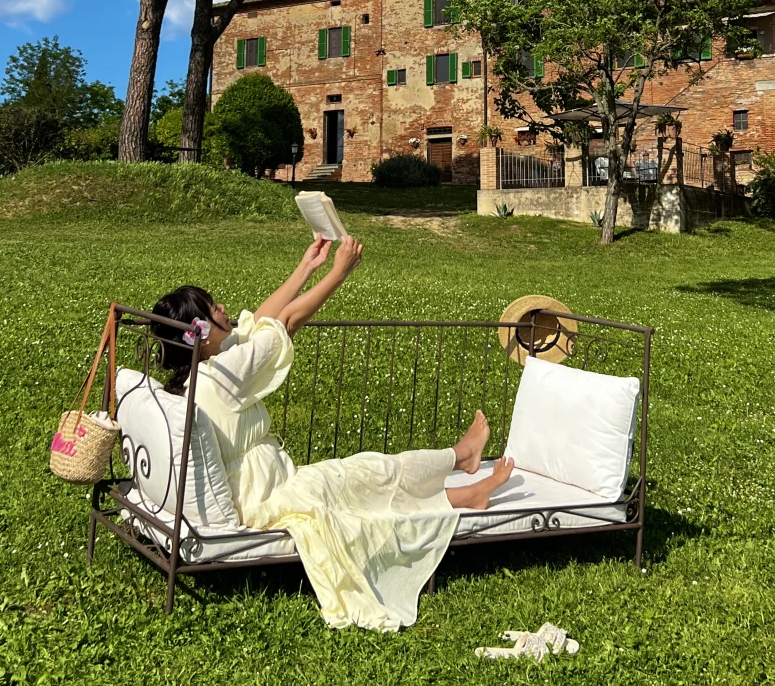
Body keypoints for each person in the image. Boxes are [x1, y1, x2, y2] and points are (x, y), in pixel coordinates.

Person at [152, 235, 513, 630]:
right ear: (201, 332)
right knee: (371, 479)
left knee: (366, 478)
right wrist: (339, 272)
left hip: (270, 486)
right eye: (213, 308)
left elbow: (256, 324)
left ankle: (462, 469)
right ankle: (462, 478)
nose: (224, 308)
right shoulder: (225, 375)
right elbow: (283, 322)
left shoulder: (202, 372)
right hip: (268, 498)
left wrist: (308, 265)